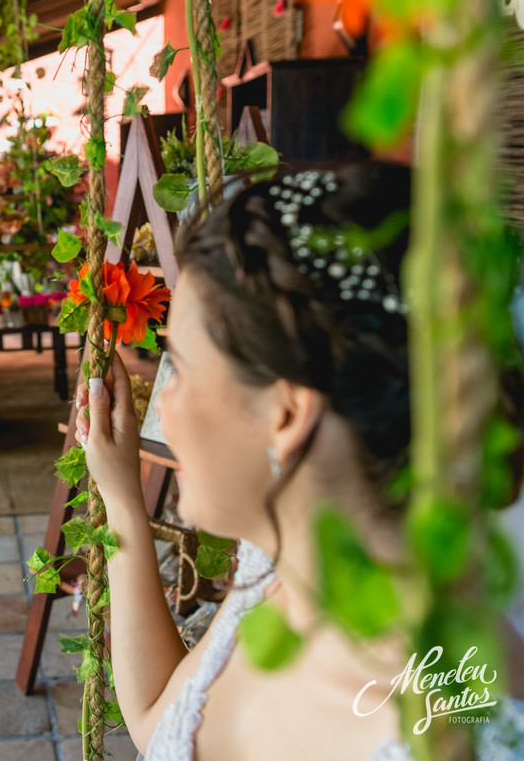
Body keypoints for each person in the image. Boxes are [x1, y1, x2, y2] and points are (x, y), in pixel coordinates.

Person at [74, 163, 521, 760]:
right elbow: (161, 723)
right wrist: (122, 497)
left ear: (286, 415)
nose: (165, 407)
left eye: (178, 367)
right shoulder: (284, 568)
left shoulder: (455, 729)